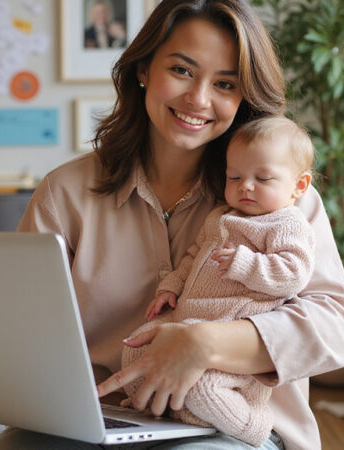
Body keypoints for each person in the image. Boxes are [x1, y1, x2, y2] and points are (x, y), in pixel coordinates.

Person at [0, 1, 344, 449]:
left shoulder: (275, 195)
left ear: (243, 94)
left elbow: (333, 328)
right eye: (181, 70)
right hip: (101, 417)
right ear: (144, 69)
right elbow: (14, 327)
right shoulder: (66, 192)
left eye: (225, 83)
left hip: (225, 421)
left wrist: (204, 344)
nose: (199, 99)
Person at [121, 116, 315, 447]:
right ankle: (165, 409)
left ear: (299, 186)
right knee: (134, 350)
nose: (246, 186)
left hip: (229, 340)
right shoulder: (221, 216)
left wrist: (245, 263)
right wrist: (171, 287)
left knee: (204, 387)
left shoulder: (286, 222)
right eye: (235, 177)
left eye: (263, 178)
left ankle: (250, 425)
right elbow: (193, 256)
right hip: (186, 320)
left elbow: (294, 273)